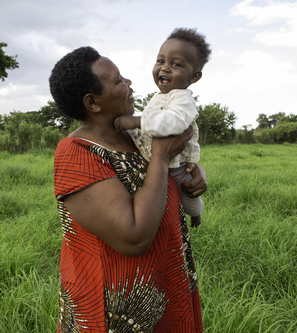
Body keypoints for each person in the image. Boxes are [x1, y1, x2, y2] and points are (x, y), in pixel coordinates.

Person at [50, 46, 207, 332]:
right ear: (93, 103)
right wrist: (160, 156)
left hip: (165, 289)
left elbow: (160, 181)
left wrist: (193, 175)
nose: (129, 84)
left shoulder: (135, 137)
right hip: (116, 312)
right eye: (119, 80)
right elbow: (133, 237)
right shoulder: (76, 152)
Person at [114, 28, 212, 228]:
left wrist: (135, 121)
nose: (165, 68)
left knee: (188, 198)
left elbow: (173, 122)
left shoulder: (183, 98)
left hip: (177, 165)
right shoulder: (159, 96)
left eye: (175, 64)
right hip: (156, 160)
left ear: (194, 76)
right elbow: (149, 129)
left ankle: (196, 214)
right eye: (161, 61)